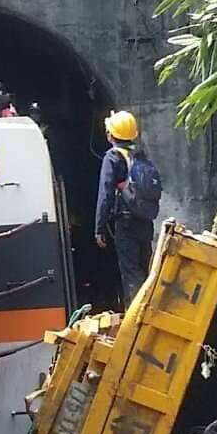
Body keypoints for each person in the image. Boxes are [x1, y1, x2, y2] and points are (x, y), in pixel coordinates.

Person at [94, 110, 163, 307]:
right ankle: (152, 311)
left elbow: (105, 193)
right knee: (146, 268)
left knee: (131, 272)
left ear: (110, 135)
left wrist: (99, 227)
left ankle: (137, 316)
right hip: (145, 220)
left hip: (126, 223)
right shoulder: (140, 155)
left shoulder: (112, 158)